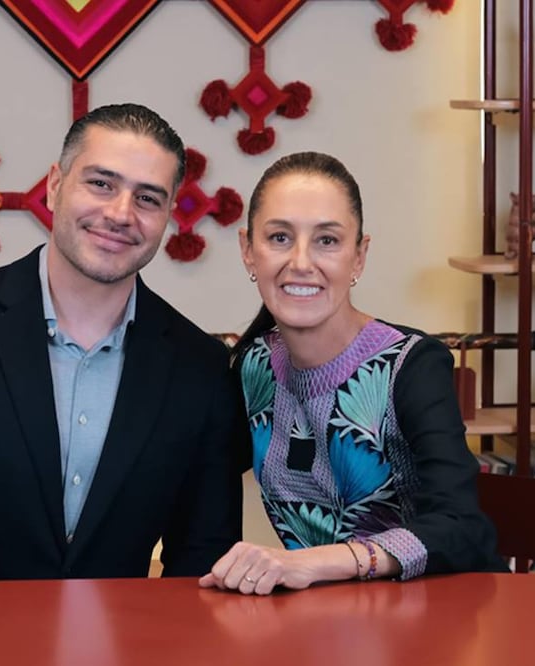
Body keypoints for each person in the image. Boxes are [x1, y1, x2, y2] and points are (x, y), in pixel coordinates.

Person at [0, 103, 244, 580]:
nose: (120, 213)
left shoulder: (202, 369)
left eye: (148, 198)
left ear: (169, 213)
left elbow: (203, 560)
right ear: (54, 184)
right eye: (101, 183)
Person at [200, 151, 506, 596]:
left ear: (359, 256)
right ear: (249, 252)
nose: (301, 262)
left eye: (327, 240)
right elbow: (194, 474)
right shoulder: (253, 366)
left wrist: (312, 563)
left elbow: (461, 526)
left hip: (443, 620)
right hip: (325, 626)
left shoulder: (411, 366)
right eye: (280, 237)